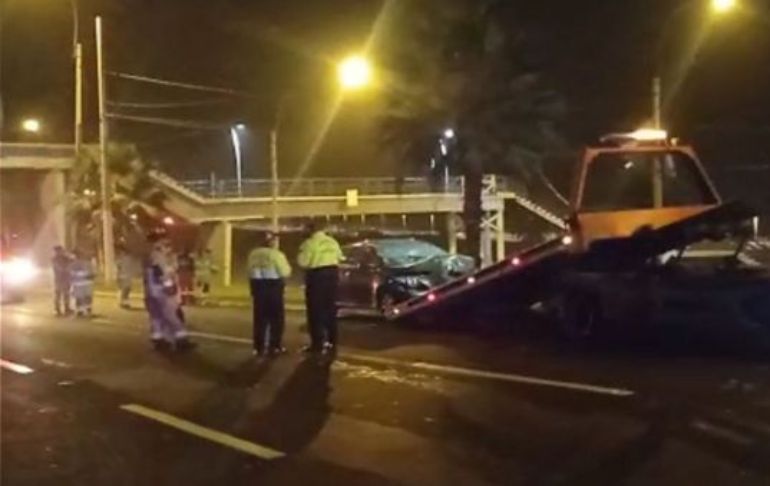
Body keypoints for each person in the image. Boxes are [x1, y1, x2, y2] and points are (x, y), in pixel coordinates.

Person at [143, 235, 196, 352]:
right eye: (166, 245)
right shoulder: (159, 257)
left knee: (157, 317)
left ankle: (158, 339)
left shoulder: (150, 256)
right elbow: (161, 273)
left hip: (151, 292)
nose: (169, 248)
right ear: (159, 245)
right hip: (162, 292)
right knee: (172, 316)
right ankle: (181, 340)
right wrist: (169, 286)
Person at [297, 221, 343, 354]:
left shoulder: (309, 243)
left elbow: (303, 262)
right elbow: (339, 257)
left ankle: (317, 344)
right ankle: (332, 341)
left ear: (310, 230)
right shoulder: (332, 241)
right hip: (332, 275)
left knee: (315, 311)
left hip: (317, 277)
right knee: (330, 309)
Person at [248, 232, 292, 357]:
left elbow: (249, 270)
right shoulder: (276, 254)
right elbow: (285, 271)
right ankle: (275, 346)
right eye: (275, 240)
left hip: (258, 286)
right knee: (276, 319)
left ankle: (258, 348)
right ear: (271, 242)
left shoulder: (253, 254)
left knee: (259, 319)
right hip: (273, 287)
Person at [70, 250, 95, 317]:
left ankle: (83, 310)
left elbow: (92, 273)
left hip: (82, 283)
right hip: (83, 283)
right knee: (84, 297)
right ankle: (83, 310)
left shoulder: (85, 263)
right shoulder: (74, 264)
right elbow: (71, 273)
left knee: (82, 297)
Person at [52, 245, 72, 316]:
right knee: (58, 295)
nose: (60, 252)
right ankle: (57, 309)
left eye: (61, 251)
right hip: (59, 279)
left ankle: (67, 308)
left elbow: (71, 261)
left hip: (66, 279)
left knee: (66, 294)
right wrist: (65, 268)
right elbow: (59, 268)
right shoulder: (55, 259)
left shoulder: (65, 258)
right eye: (58, 251)